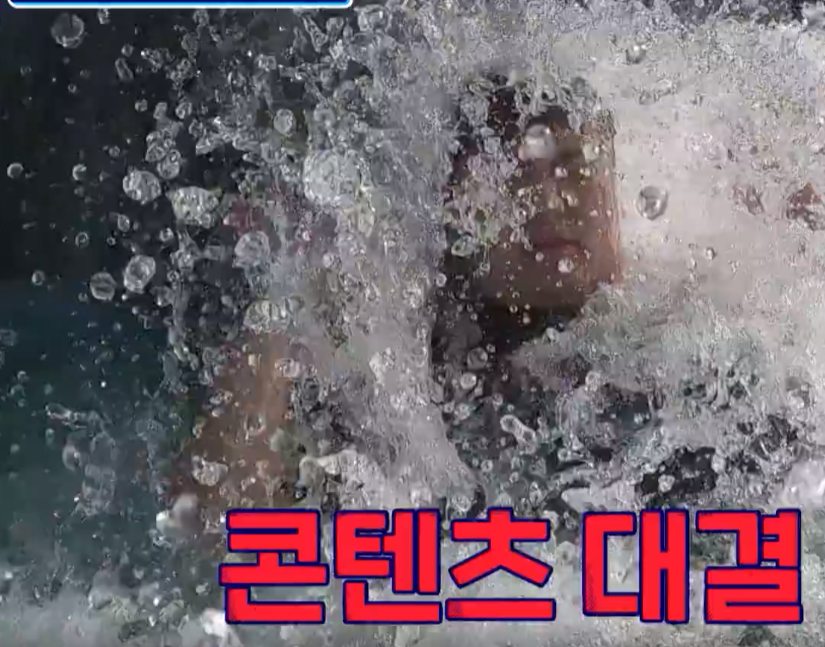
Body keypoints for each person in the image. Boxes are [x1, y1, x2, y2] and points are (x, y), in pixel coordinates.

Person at [169, 77, 626, 535]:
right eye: (511, 173)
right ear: (451, 204)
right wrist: (283, 292)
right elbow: (214, 526)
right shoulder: (393, 367)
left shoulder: (659, 341)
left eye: (573, 164)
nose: (548, 199)